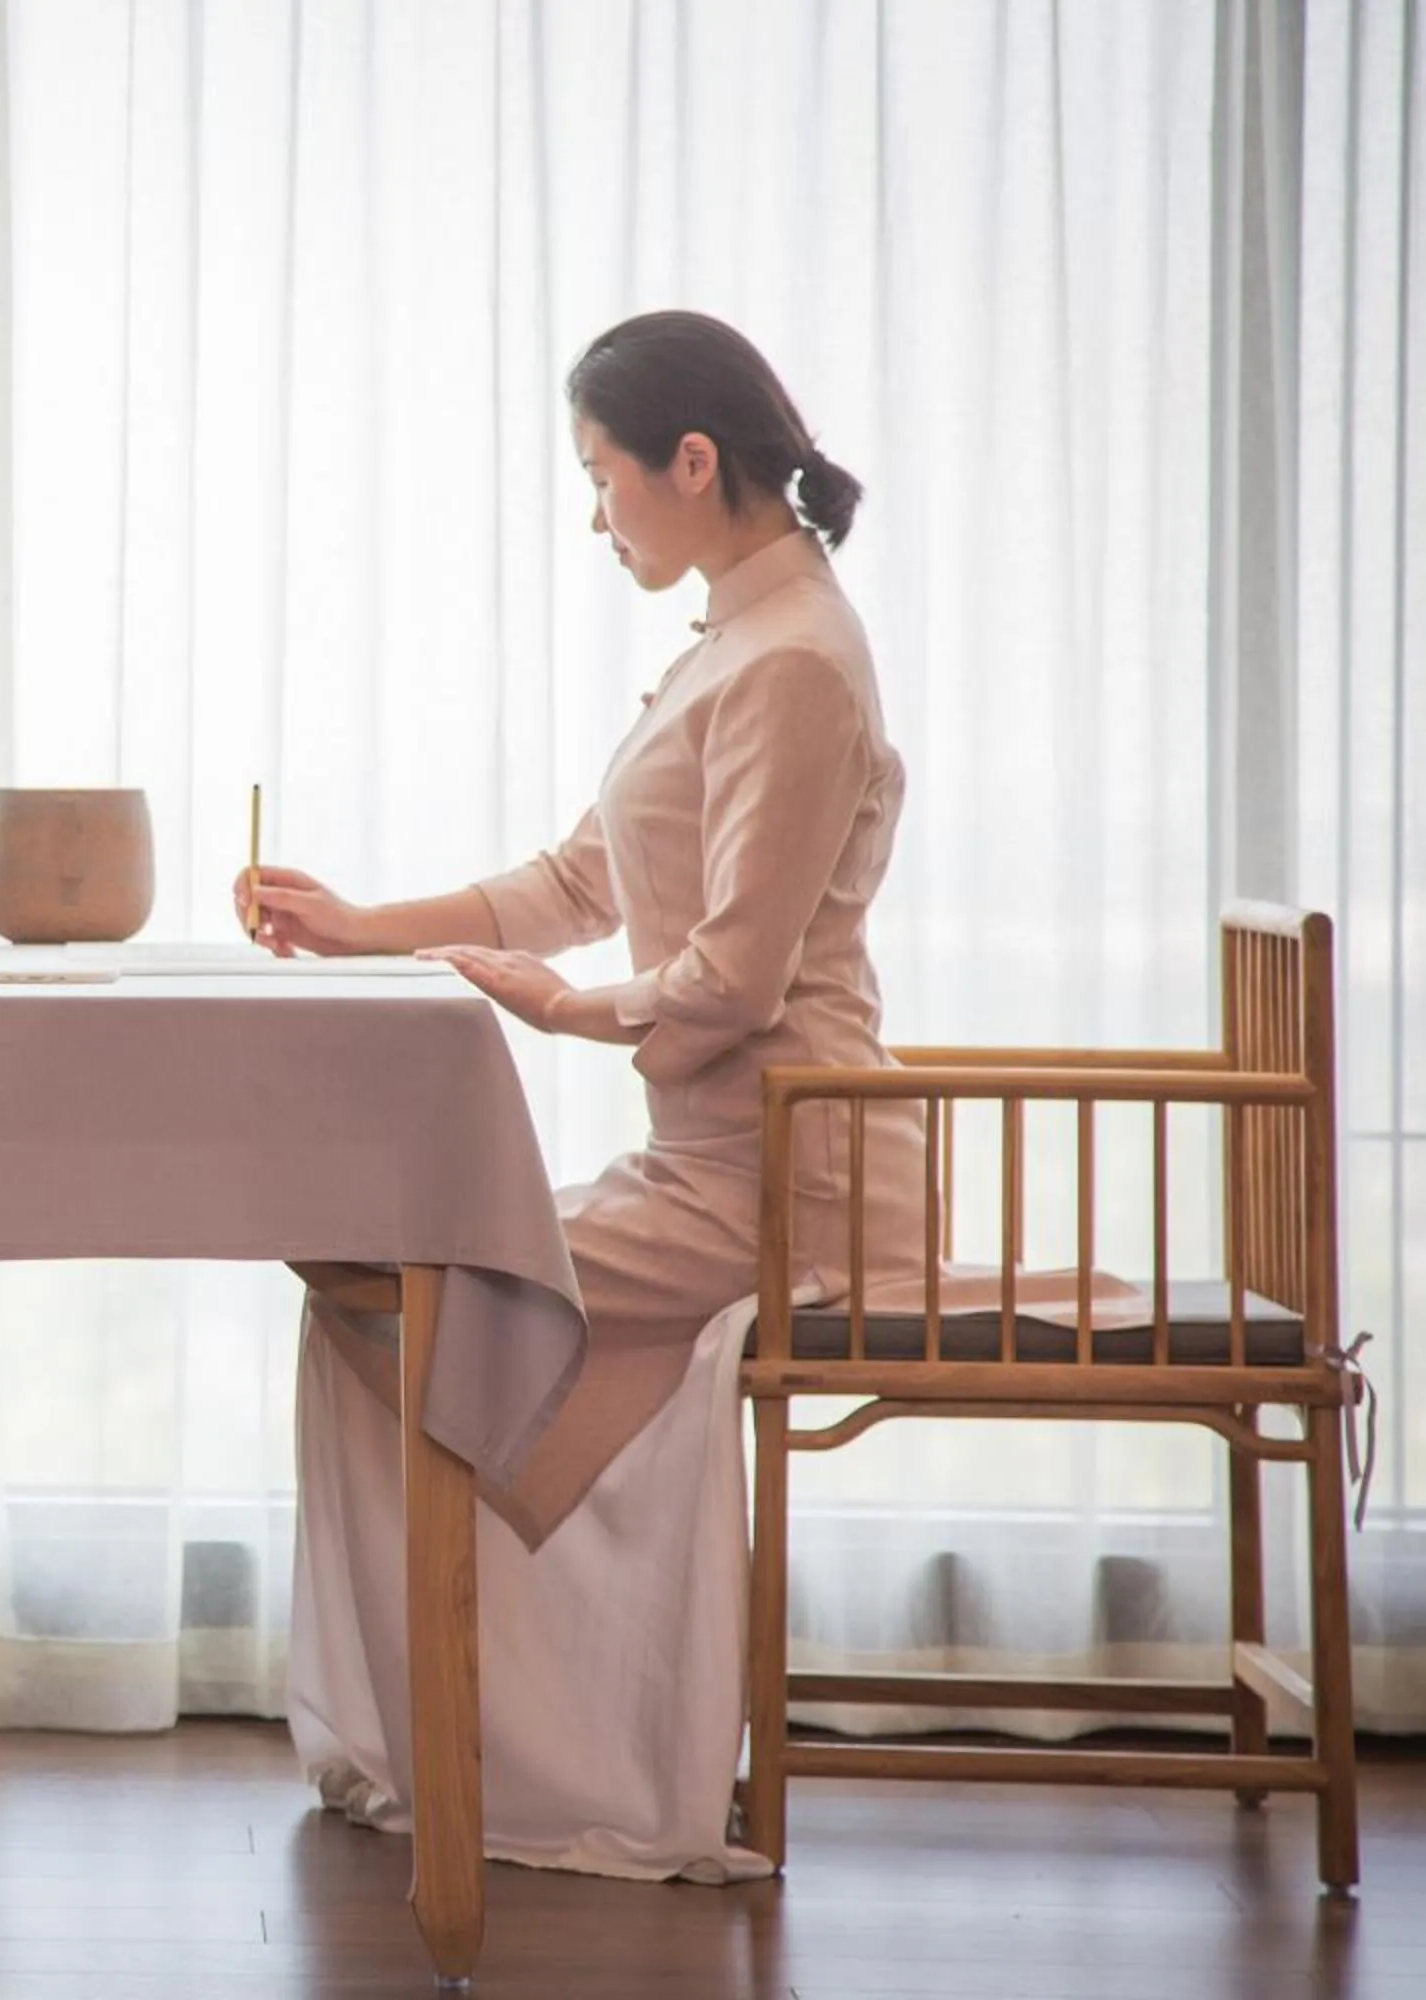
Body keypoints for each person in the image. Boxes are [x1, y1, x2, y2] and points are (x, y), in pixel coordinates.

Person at [237, 309, 928, 1867]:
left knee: (399, 1296)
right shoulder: (743, 645)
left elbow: (737, 977)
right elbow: (572, 881)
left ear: (691, 461)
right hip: (718, 1165)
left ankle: (536, 1747)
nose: (595, 515)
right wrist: (362, 926)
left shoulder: (795, 662)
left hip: (784, 1182)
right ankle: (510, 1737)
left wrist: (563, 1010)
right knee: (375, 1291)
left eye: (600, 476)